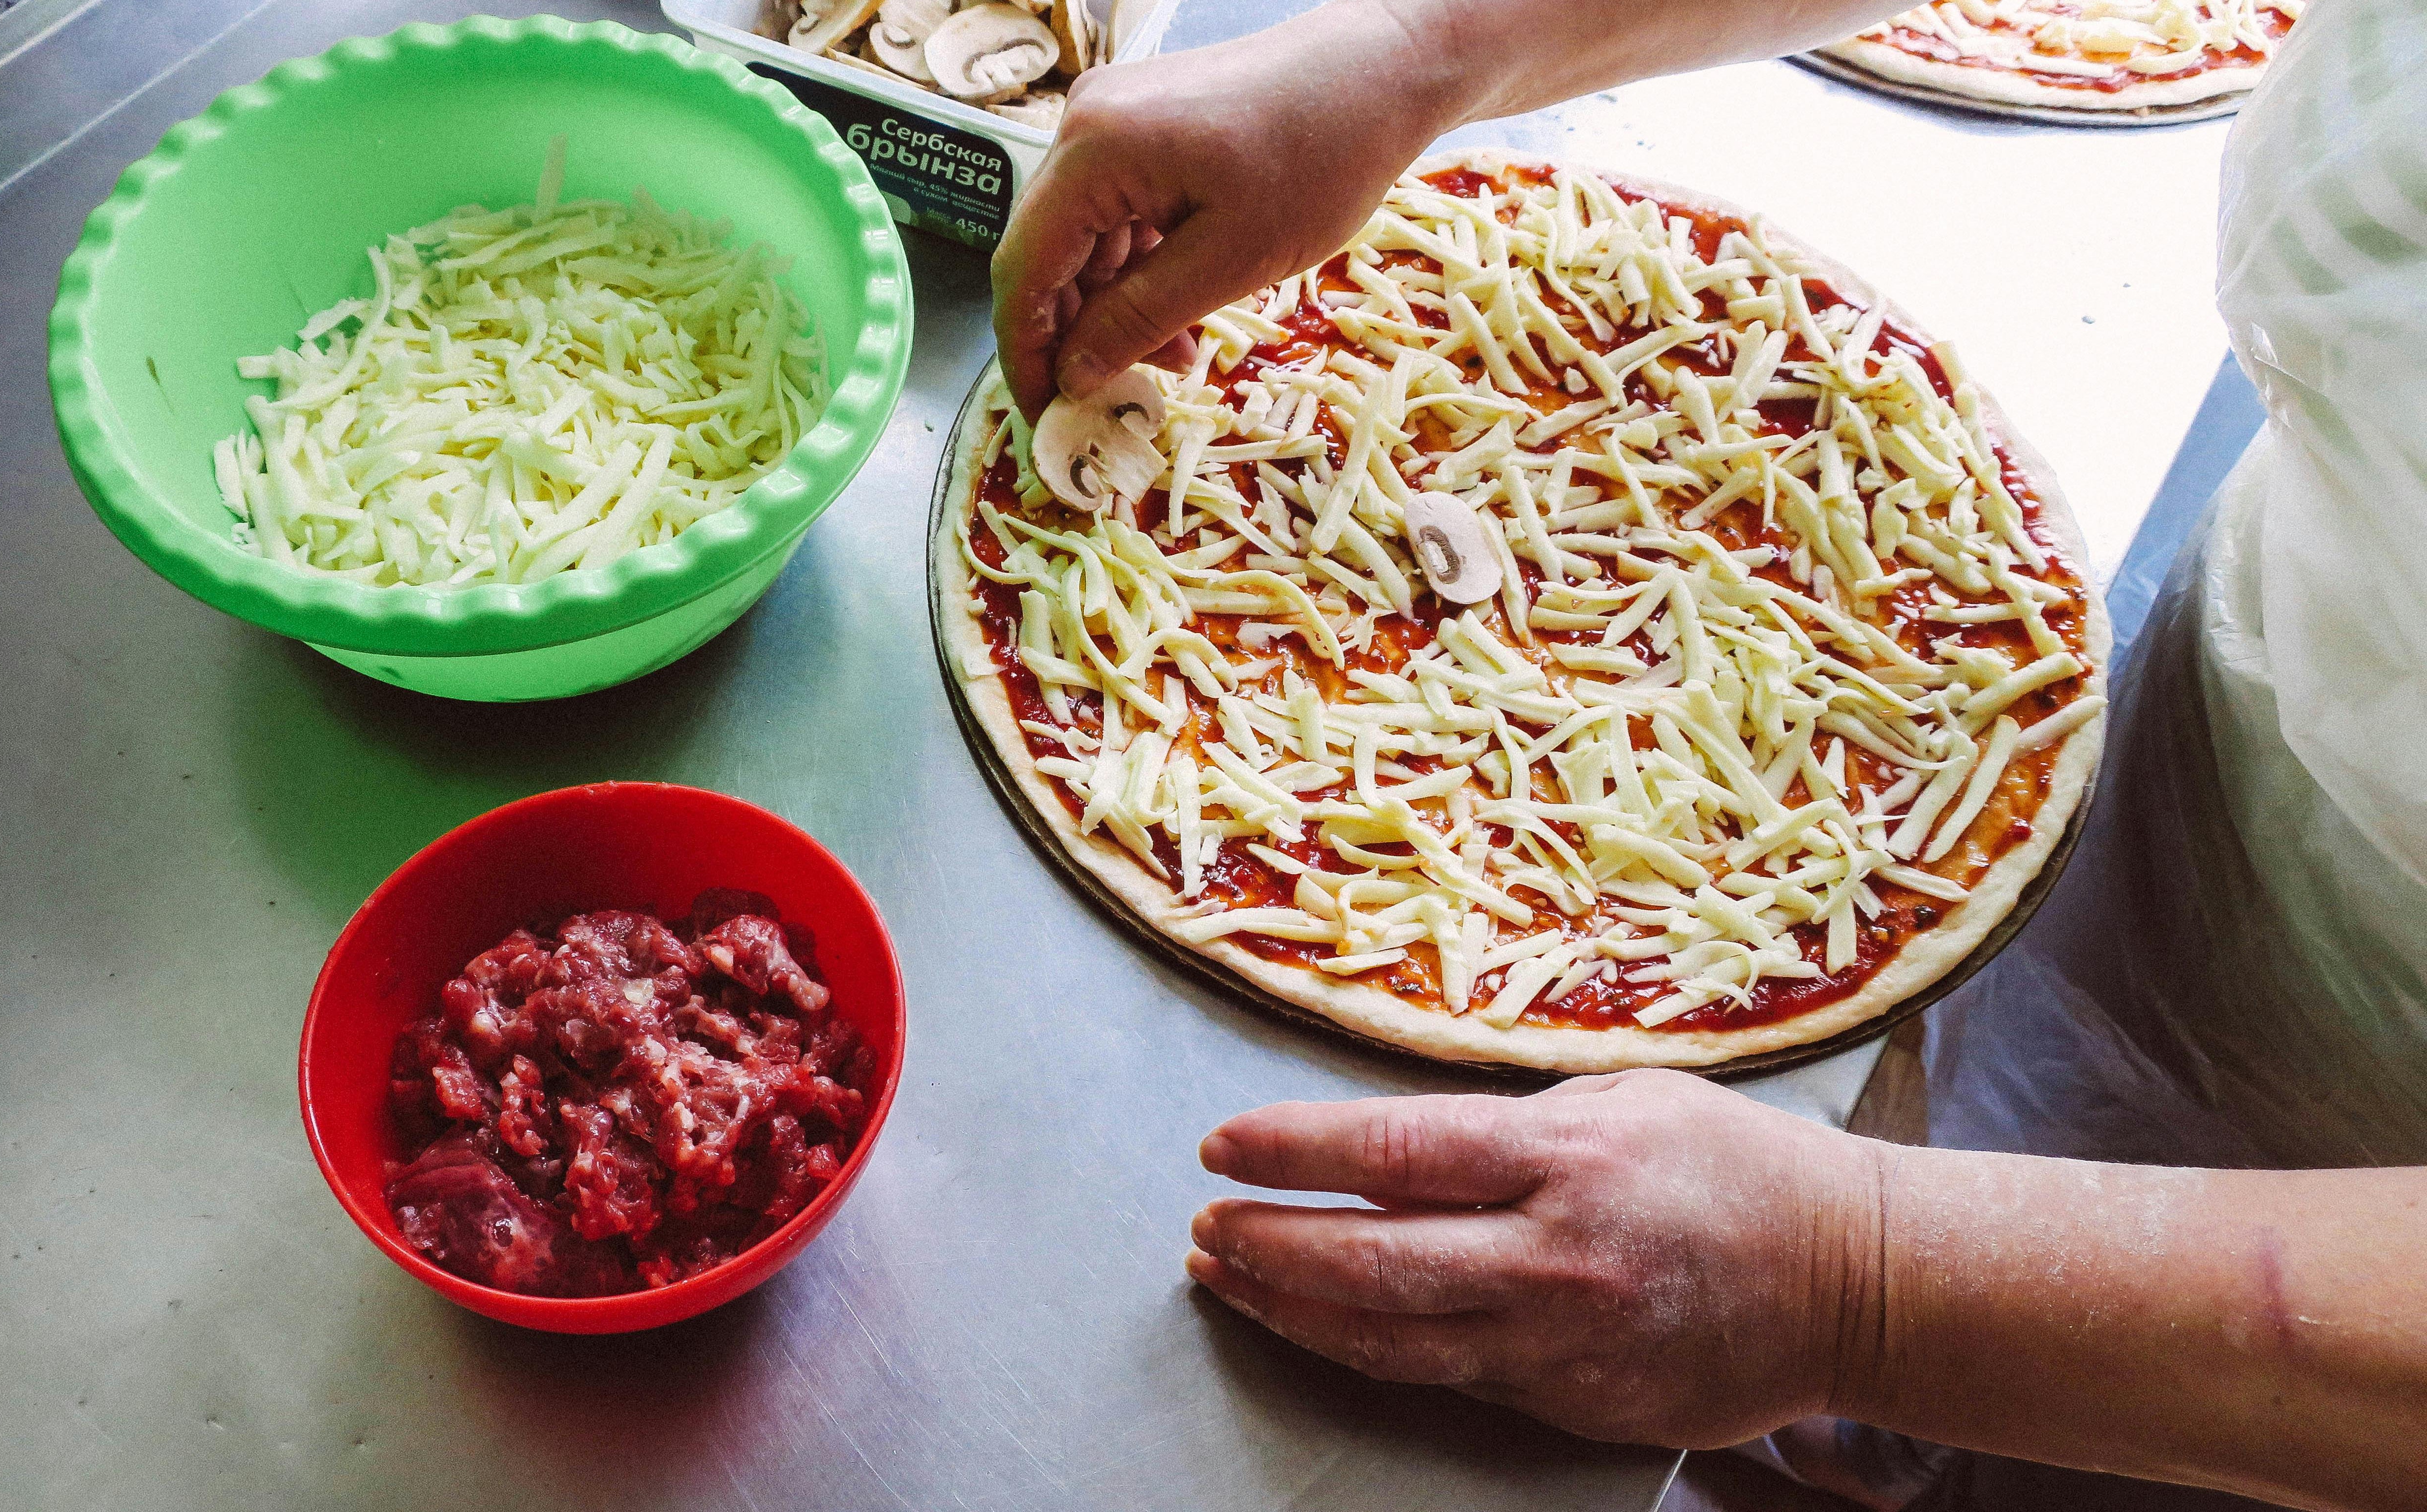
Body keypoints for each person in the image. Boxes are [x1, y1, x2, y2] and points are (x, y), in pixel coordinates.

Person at [989, 0, 2427, 1506]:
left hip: (2368, 1324)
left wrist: (1871, 1284)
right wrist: (1433, 51)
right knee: (1991, 1135)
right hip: (2232, 717)